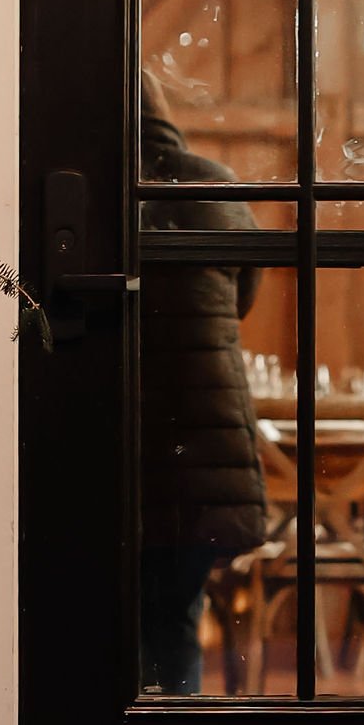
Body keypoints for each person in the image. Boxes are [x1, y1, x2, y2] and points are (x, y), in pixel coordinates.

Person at [136, 69, 268, 693]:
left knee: (117, 625)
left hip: (133, 437)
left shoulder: (103, 182)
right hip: (209, 449)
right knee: (178, 617)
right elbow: (243, 292)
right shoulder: (215, 185)